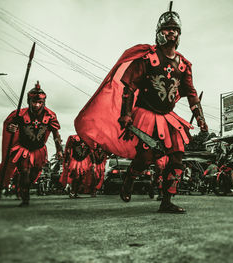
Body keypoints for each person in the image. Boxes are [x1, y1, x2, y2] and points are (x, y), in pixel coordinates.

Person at [75, 3, 207, 213]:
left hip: (168, 116)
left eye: (175, 29)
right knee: (146, 156)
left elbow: (191, 92)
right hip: (146, 113)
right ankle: (130, 177)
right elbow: (130, 86)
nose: (171, 32)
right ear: (159, 33)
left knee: (177, 157)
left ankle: (167, 202)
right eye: (167, 29)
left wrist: (199, 117)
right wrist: (126, 114)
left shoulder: (184, 65)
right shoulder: (148, 58)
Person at [0, 81, 63, 206]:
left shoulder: (50, 116)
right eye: (34, 102)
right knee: (24, 171)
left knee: (33, 175)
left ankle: (22, 188)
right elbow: (10, 126)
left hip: (39, 150)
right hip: (23, 149)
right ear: (29, 101)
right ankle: (25, 198)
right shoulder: (19, 115)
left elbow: (56, 134)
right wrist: (11, 128)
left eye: (40, 102)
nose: (36, 105)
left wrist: (59, 150)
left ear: (44, 103)